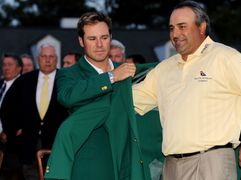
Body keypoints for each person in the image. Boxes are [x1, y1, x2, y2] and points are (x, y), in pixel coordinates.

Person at [132, 1, 241, 180]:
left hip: (211, 161)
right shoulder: (164, 68)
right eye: (171, 28)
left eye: (182, 27)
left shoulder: (226, 57)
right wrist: (107, 79)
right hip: (171, 165)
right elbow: (129, 100)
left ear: (202, 27)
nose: (175, 34)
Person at [44, 12, 149, 180]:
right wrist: (111, 77)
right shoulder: (69, 74)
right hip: (89, 167)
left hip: (128, 163)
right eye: (92, 39)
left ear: (111, 38)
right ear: (81, 41)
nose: (99, 44)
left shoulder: (128, 70)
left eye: (104, 37)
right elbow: (67, 97)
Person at [10, 44, 69, 180]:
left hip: (57, 143)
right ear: (38, 59)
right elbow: (8, 107)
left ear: (56, 59)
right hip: (29, 143)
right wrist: (14, 128)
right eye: (44, 56)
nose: (47, 60)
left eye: (51, 57)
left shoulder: (66, 80)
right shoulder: (24, 80)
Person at [0, 53, 24, 180]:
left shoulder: (25, 86)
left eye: (10, 65)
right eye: (4, 65)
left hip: (14, 143)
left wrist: (8, 131)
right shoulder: (1, 84)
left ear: (19, 68)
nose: (6, 68)